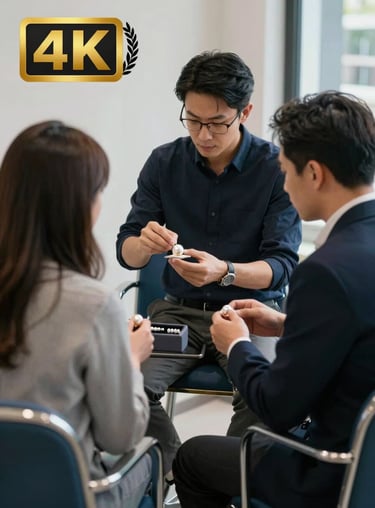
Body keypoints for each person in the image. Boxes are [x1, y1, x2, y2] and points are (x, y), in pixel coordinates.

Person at [172, 90, 375, 508]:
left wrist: (237, 345)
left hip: (330, 470)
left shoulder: (324, 270)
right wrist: (287, 324)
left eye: (285, 171)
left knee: (193, 457)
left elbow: (278, 405)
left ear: (314, 173)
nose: (282, 182)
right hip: (367, 456)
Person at [116, 50, 301, 475]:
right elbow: (126, 252)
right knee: (124, 382)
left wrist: (226, 271)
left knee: (269, 395)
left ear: (245, 111)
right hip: (176, 313)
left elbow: (281, 266)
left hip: (250, 313)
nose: (203, 134)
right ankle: (180, 470)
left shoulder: (275, 169)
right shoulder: (164, 162)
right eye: (193, 119)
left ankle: (220, 480)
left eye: (217, 122)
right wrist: (143, 245)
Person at [0, 121, 155, 508]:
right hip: (71, 495)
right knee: (151, 456)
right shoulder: (93, 305)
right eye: (98, 192)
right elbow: (120, 437)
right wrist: (132, 359)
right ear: (79, 205)